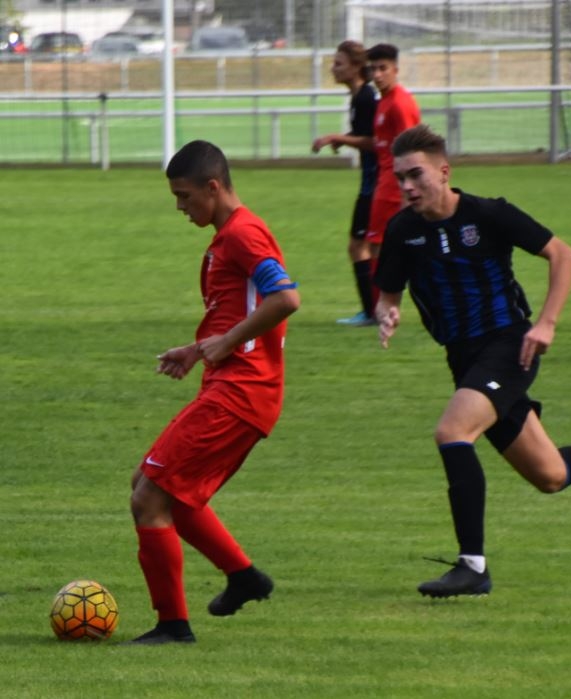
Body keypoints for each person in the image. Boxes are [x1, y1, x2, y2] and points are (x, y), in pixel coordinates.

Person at [374, 125, 571, 598]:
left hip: (510, 347)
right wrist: (387, 312)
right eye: (400, 179)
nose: (407, 187)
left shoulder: (489, 214)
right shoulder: (402, 230)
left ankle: (473, 567)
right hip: (463, 359)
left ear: (444, 172)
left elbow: (563, 254)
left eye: (416, 175)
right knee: (551, 476)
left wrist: (547, 323)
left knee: (452, 433)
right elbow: (388, 289)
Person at [128, 140, 301, 644]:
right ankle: (243, 577)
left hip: (240, 394)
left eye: (184, 197)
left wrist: (225, 343)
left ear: (213, 186)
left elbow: (286, 297)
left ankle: (172, 627)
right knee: (160, 487)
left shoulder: (243, 235)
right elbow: (239, 311)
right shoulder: (231, 236)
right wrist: (198, 349)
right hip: (234, 387)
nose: (180, 208)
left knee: (149, 498)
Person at [312, 40, 378, 326]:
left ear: (355, 67)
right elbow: (363, 133)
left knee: (359, 246)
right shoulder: (359, 97)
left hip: (374, 182)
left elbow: (375, 141)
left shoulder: (366, 97)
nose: (333, 68)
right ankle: (373, 310)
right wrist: (345, 138)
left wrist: (337, 138)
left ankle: (373, 311)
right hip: (370, 181)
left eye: (339, 63)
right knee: (366, 247)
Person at [364, 43, 420, 302]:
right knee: (380, 244)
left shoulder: (399, 103)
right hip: (384, 180)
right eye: (373, 69)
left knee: (380, 244)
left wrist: (406, 194)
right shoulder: (385, 100)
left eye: (383, 68)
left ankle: (379, 306)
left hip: (392, 186)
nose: (377, 74)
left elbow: (411, 150)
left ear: (395, 69)